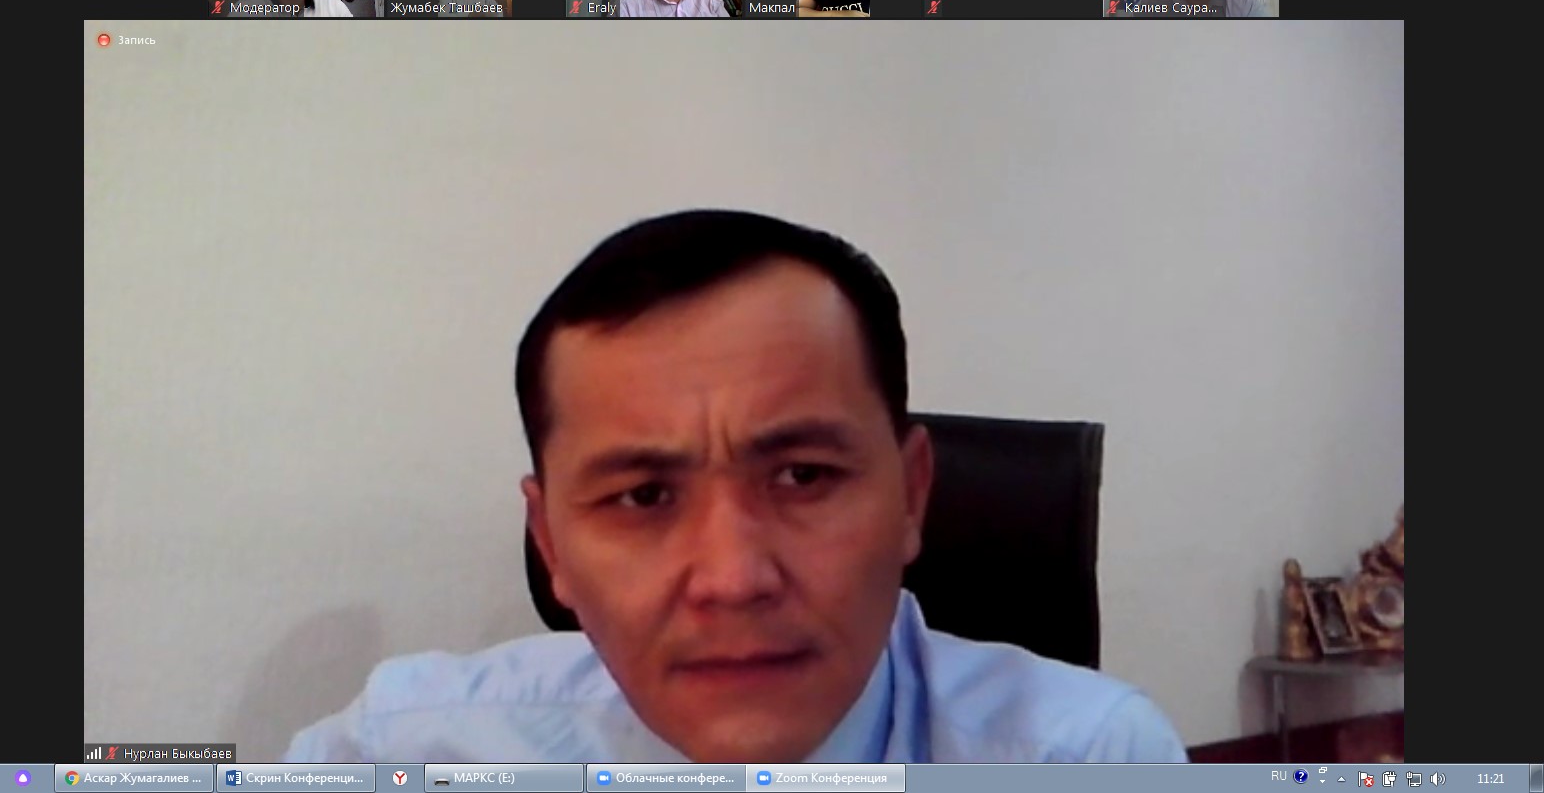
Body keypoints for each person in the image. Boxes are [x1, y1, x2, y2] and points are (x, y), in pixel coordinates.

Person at [285, 210, 1188, 764]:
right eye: (644, 495)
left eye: (803, 476)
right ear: (551, 543)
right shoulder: (405, 744)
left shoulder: (1086, 756)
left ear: (912, 495)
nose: (732, 578)